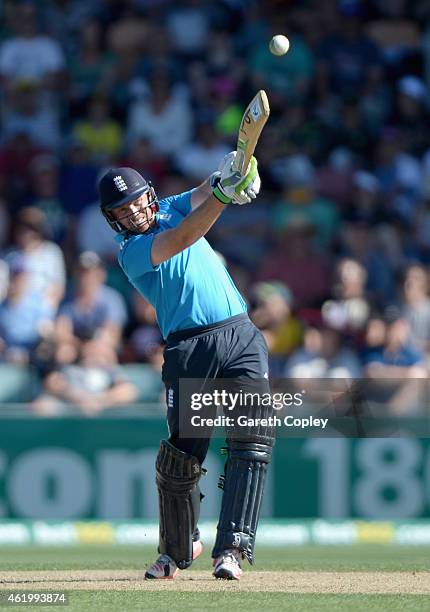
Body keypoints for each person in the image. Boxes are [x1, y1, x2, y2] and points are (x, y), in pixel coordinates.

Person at [98, 153, 274, 581]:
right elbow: (185, 236)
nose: (135, 212)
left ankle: (232, 548)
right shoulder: (133, 252)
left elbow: (203, 194)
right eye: (123, 211)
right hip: (189, 349)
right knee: (183, 456)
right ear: (114, 221)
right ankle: (177, 549)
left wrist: (233, 173)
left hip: (241, 334)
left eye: (138, 201)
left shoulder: (169, 205)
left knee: (251, 440)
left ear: (149, 196)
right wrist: (222, 194)